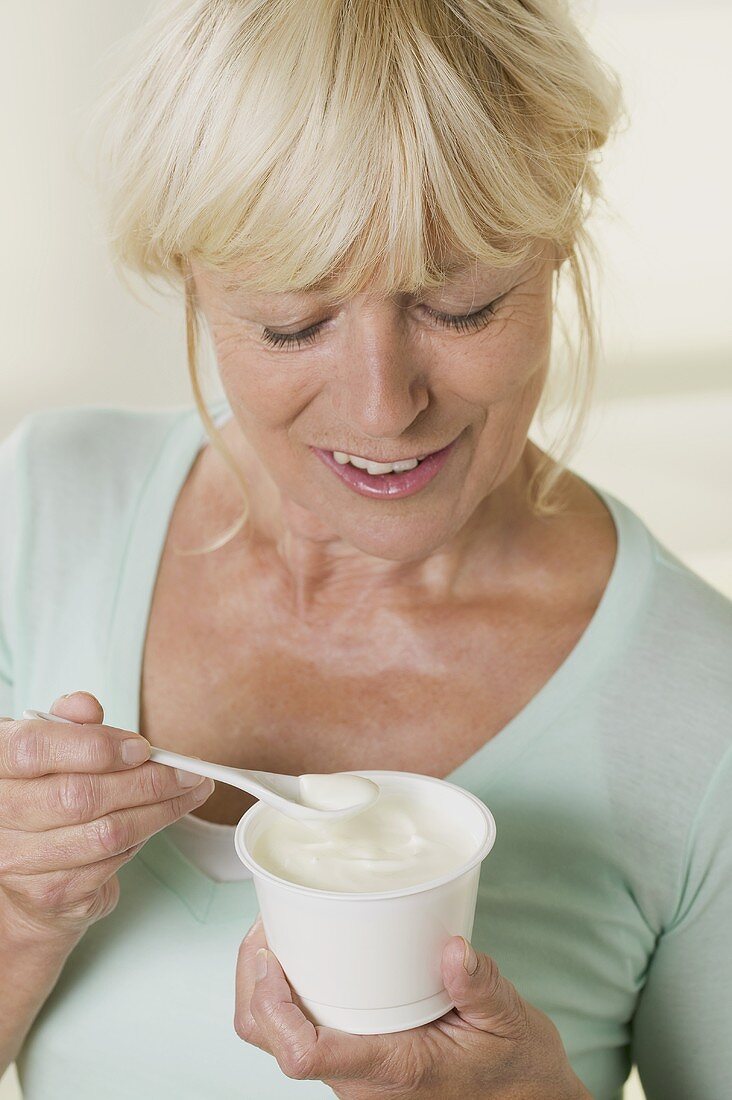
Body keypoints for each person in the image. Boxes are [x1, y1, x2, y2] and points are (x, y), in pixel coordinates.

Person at [1, 0, 730, 1097]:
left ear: (558, 251)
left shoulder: (704, 706)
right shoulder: (44, 512)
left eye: (464, 305)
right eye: (294, 325)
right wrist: (16, 912)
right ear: (191, 282)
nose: (385, 409)